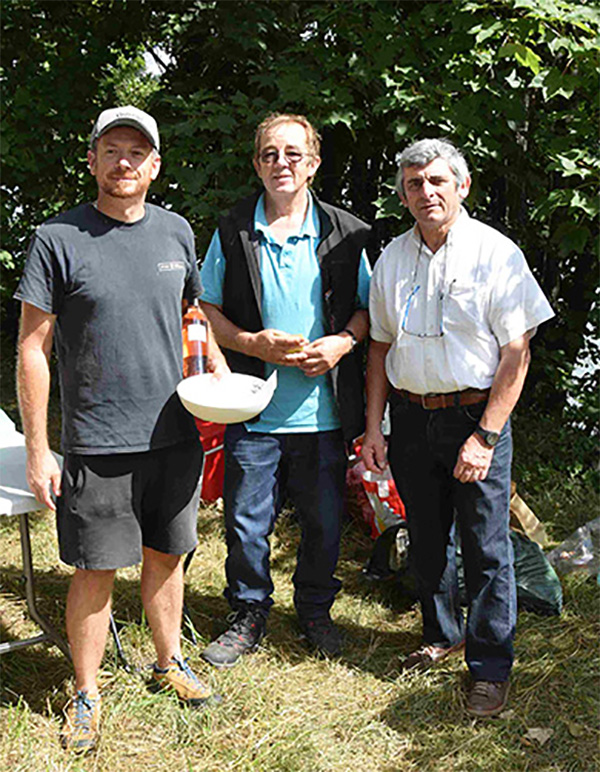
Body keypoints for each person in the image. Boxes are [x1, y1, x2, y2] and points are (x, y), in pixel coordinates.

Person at [15, 106, 228, 753]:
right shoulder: (58, 238)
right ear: (92, 160)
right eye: (112, 150)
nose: (125, 161)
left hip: (175, 432)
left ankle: (168, 665)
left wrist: (218, 368)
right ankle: (85, 691)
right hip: (97, 441)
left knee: (168, 554)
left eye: (137, 152)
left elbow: (192, 311)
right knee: (97, 567)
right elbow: (32, 346)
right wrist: (37, 449)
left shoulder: (175, 233)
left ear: (155, 165)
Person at [362, 138, 554, 718]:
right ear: (403, 194)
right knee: (425, 538)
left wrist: (487, 435)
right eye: (415, 184)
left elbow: (517, 351)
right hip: (412, 417)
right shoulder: (392, 257)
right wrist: (374, 428)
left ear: (461, 186)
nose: (427, 193)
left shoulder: (496, 254)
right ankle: (441, 634)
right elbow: (377, 348)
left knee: (485, 546)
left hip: (475, 415)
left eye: (438, 182)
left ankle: (491, 667)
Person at [199, 113, 372, 667]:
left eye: (294, 154)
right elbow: (205, 307)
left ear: (314, 164)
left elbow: (371, 310)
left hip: (323, 415)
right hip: (253, 409)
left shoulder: (347, 233)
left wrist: (343, 342)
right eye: (270, 154)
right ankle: (248, 613)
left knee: (323, 524)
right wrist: (251, 341)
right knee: (246, 524)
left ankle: (315, 613)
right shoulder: (232, 229)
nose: (282, 163)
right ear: (257, 164)